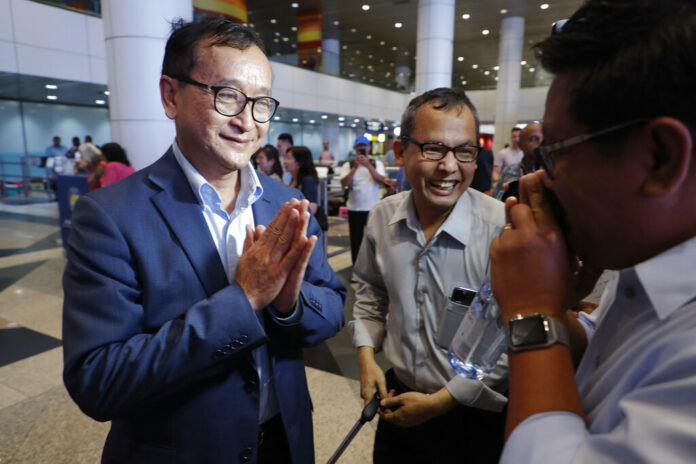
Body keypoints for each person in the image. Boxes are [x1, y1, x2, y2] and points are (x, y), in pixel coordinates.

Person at [62, 17, 345, 464]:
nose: (247, 121)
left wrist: (288, 306)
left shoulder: (286, 202)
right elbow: (99, 381)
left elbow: (332, 307)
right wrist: (245, 298)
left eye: (261, 103)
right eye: (228, 96)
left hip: (284, 443)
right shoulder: (110, 216)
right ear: (171, 95)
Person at [493, 1, 696, 462]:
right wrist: (554, 307)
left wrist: (531, 311)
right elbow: (614, 354)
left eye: (556, 152)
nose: (538, 179)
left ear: (659, 158)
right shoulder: (646, 259)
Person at [350, 87, 508, 464]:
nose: (449, 166)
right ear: (401, 152)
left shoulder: (502, 229)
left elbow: (512, 336)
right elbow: (370, 293)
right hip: (397, 402)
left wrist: (440, 402)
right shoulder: (382, 218)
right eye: (433, 148)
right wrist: (366, 356)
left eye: (464, 151)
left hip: (472, 420)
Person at [339, 135, 387, 263]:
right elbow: (344, 183)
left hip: (373, 208)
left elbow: (382, 181)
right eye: (359, 146)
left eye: (364, 146)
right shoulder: (348, 165)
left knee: (374, 240)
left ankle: (375, 269)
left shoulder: (377, 164)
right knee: (356, 241)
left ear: (369, 147)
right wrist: (355, 168)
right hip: (354, 208)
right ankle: (356, 270)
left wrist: (368, 166)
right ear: (355, 148)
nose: (362, 148)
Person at [491, 122, 543, 199]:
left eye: (543, 139)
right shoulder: (508, 171)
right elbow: (496, 199)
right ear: (520, 144)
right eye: (534, 139)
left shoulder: (552, 173)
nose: (540, 143)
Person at [285, 145, 319, 214]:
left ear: (299, 163)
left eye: (288, 158)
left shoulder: (308, 181)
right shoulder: (293, 179)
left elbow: (312, 208)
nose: (285, 161)